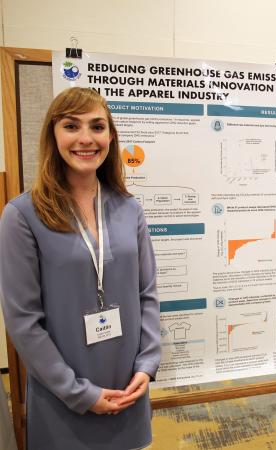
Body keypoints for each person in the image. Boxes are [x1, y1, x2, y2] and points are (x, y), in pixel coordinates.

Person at [0, 87, 161, 449]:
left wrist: (147, 364)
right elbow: (23, 320)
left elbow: (146, 293)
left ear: (111, 136)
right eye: (72, 126)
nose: (86, 139)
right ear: (53, 135)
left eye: (97, 126)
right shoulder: (23, 216)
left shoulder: (128, 208)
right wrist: (78, 393)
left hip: (128, 387)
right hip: (63, 397)